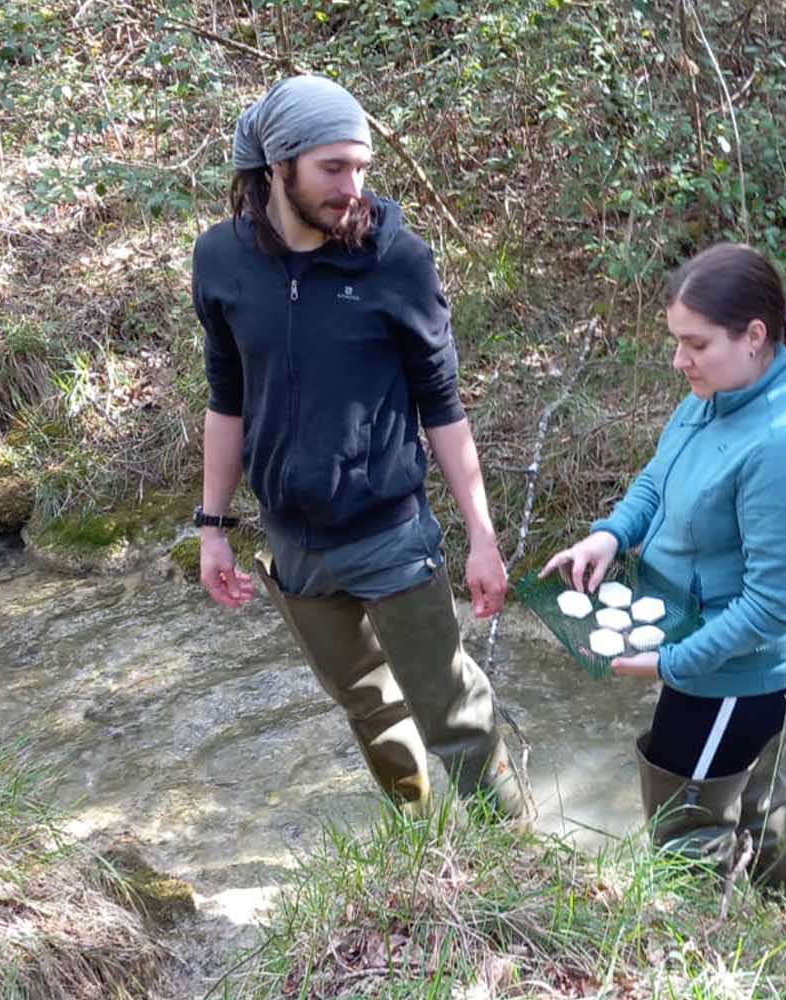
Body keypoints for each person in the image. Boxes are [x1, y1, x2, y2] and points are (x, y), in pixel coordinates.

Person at [191, 75, 524, 820]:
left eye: (362, 167)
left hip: (388, 535)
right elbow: (227, 398)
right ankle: (421, 846)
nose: (353, 187)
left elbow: (442, 406)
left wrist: (481, 535)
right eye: (332, 169)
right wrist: (212, 527)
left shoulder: (395, 261)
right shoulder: (221, 260)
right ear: (279, 167)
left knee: (456, 718)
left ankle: (521, 865)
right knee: (368, 708)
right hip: (294, 546)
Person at [540, 243, 786, 906]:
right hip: (707, 636)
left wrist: (672, 663)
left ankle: (696, 956)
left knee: (685, 819)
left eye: (695, 344)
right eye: (677, 342)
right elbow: (660, 476)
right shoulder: (721, 390)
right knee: (752, 794)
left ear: (755, 335)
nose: (679, 360)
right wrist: (611, 533)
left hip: (746, 667)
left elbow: (768, 609)